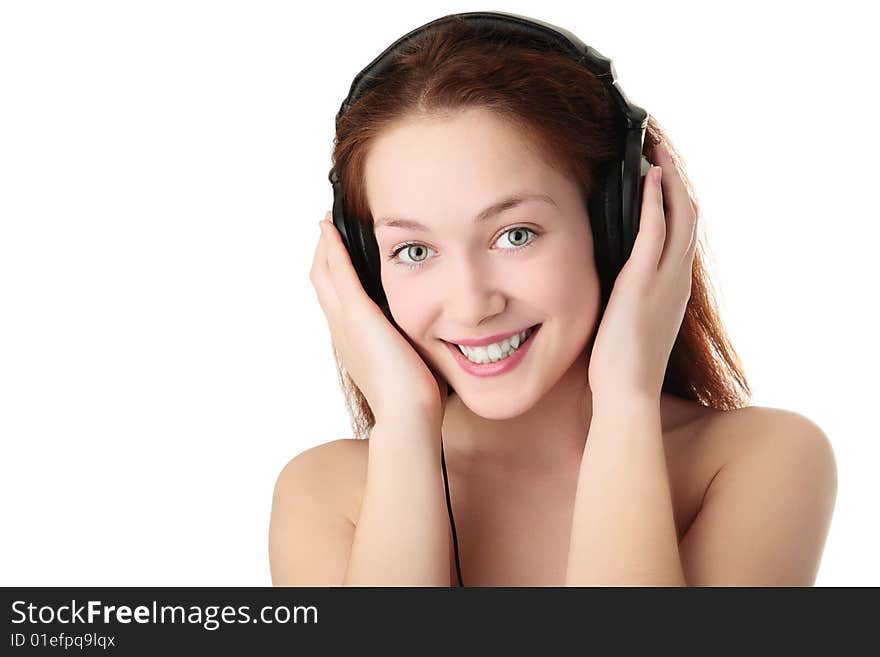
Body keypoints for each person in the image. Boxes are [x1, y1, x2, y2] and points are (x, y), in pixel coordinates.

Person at [269, 15, 837, 587]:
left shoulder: (761, 462)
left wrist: (625, 402)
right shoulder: (325, 494)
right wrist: (403, 427)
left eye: (515, 234)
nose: (471, 305)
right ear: (365, 267)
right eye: (414, 250)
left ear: (618, 224)